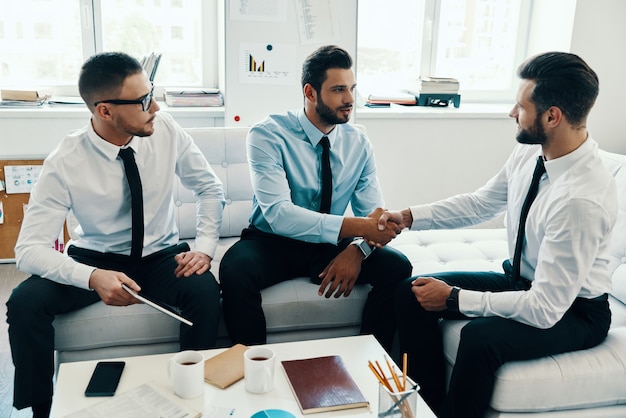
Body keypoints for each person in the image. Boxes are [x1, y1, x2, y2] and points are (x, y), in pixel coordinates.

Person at [379, 51, 617, 417]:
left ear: (552, 117)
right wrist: (410, 216)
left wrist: (455, 298)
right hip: (521, 281)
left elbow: (544, 309)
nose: (511, 113)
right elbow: (480, 203)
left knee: (479, 340)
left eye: (520, 106)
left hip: (574, 312)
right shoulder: (531, 153)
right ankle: (424, 409)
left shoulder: (581, 199)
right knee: (411, 293)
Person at [6, 52, 225, 418]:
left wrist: (204, 248)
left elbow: (210, 189)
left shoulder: (167, 129)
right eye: (142, 101)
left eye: (151, 93)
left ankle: (191, 398)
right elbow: (28, 249)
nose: (155, 106)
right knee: (24, 303)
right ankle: (41, 410)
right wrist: (91, 276)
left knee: (203, 292)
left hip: (159, 256)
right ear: (105, 111)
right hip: (95, 258)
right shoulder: (65, 161)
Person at [219, 45, 412, 351]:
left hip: (330, 246)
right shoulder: (267, 135)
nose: (349, 100)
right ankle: (253, 366)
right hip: (272, 242)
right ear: (310, 93)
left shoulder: (358, 142)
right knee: (235, 270)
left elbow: (374, 219)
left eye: (352, 89)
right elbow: (279, 215)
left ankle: (371, 359)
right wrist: (361, 228)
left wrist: (358, 252)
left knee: (398, 267)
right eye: (338, 90)